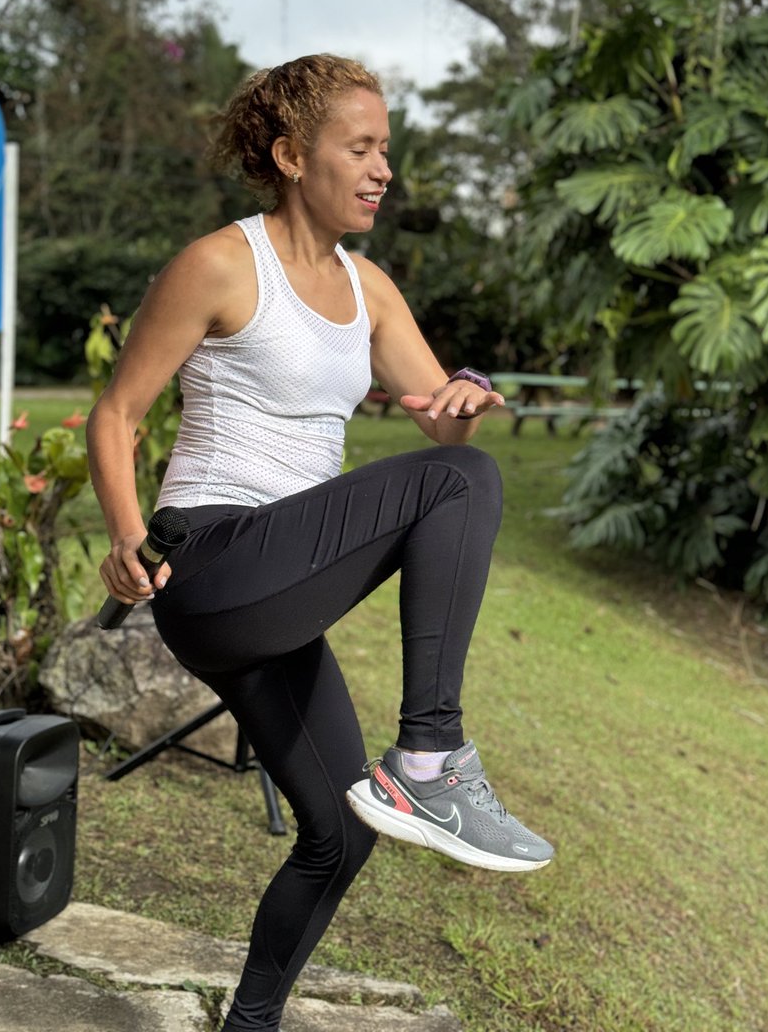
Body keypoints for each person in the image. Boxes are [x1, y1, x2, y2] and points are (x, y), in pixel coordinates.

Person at [86, 53, 554, 1032]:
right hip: (213, 564)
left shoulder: (370, 288)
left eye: (388, 149)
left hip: (278, 591)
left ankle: (248, 1024)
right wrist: (127, 538)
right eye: (363, 147)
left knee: (340, 832)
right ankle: (431, 756)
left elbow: (440, 424)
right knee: (460, 485)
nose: (384, 168)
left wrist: (461, 400)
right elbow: (117, 415)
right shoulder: (222, 263)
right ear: (295, 154)